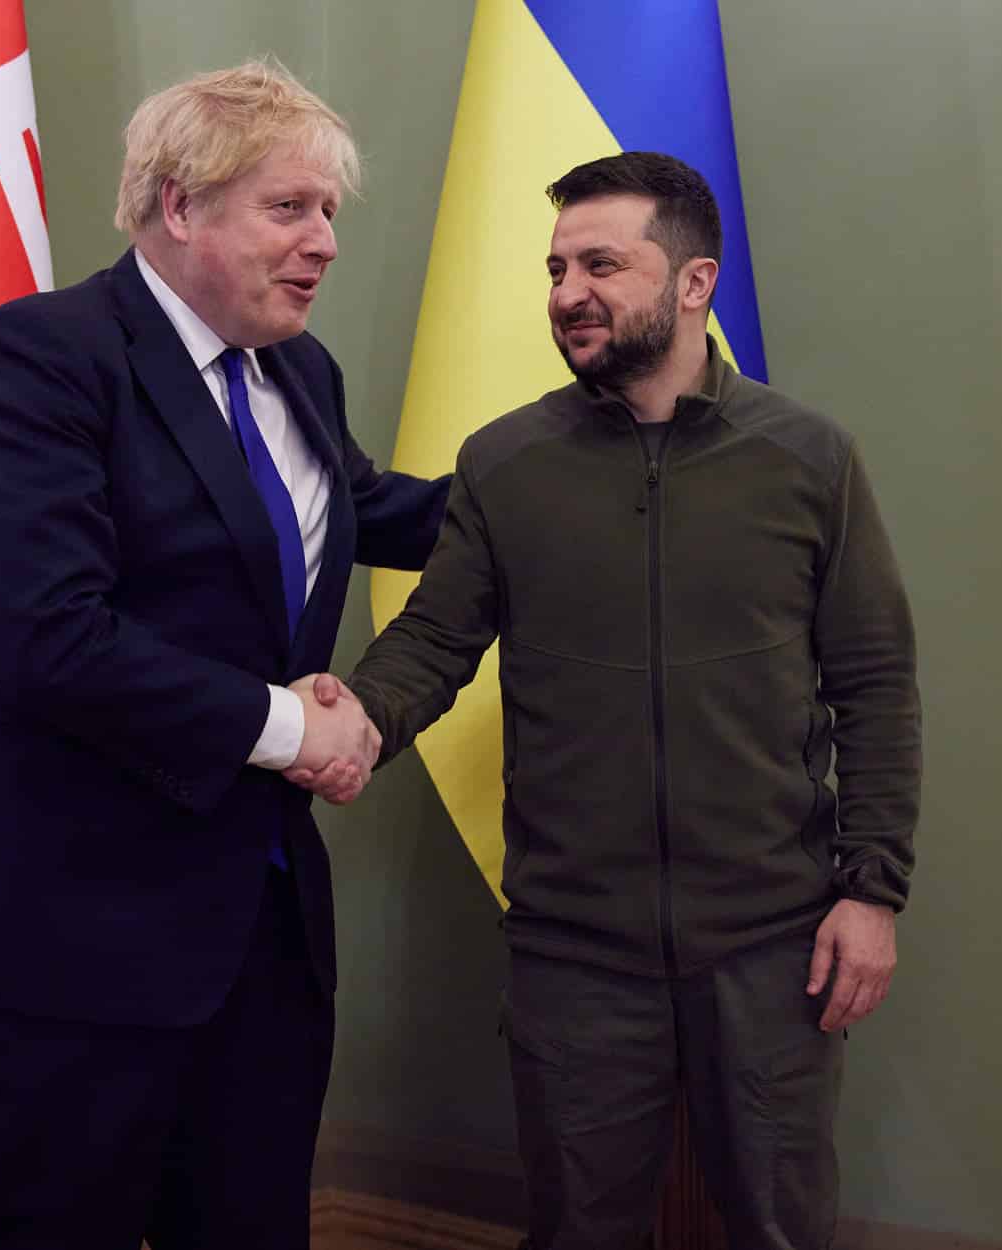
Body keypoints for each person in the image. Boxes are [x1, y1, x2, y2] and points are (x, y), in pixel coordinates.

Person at [292, 152, 921, 1250]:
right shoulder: (505, 463)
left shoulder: (809, 460)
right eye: (555, 269)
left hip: (772, 945)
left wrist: (874, 891)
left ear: (694, 282)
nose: (567, 293)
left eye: (600, 265)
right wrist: (351, 722)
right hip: (573, 953)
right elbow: (434, 640)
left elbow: (873, 685)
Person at [0, 59, 448, 1250]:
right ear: (179, 205)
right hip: (76, 949)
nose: (323, 242)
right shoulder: (44, 357)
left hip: (262, 939)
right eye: (289, 207)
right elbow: (47, 635)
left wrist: (573, 475)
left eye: (329, 213)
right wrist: (294, 726)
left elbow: (369, 509)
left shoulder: (299, 369)